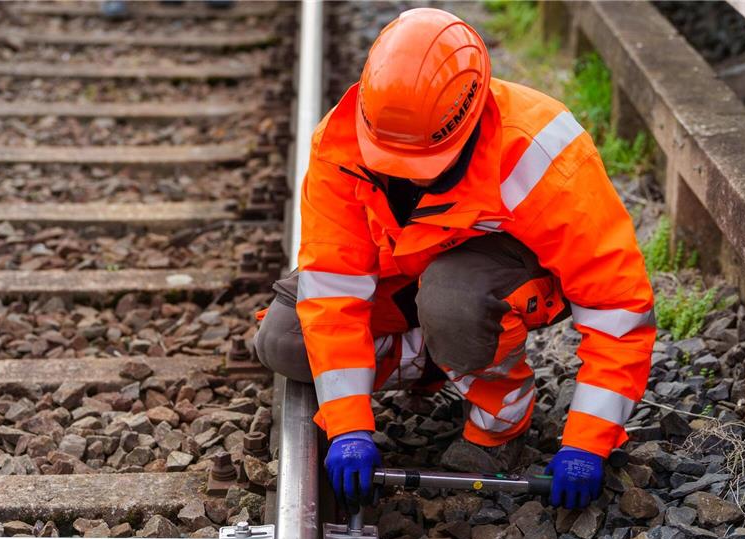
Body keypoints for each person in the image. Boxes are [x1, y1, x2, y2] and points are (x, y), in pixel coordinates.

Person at [254, 8, 655, 511]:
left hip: (490, 284)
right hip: (407, 275)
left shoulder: (539, 151)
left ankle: (501, 419)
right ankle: (443, 355)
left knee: (450, 299)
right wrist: (350, 425)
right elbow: (332, 292)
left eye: (425, 165)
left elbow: (618, 309)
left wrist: (588, 442)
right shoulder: (340, 146)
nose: (408, 177)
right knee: (283, 340)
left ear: (471, 119)